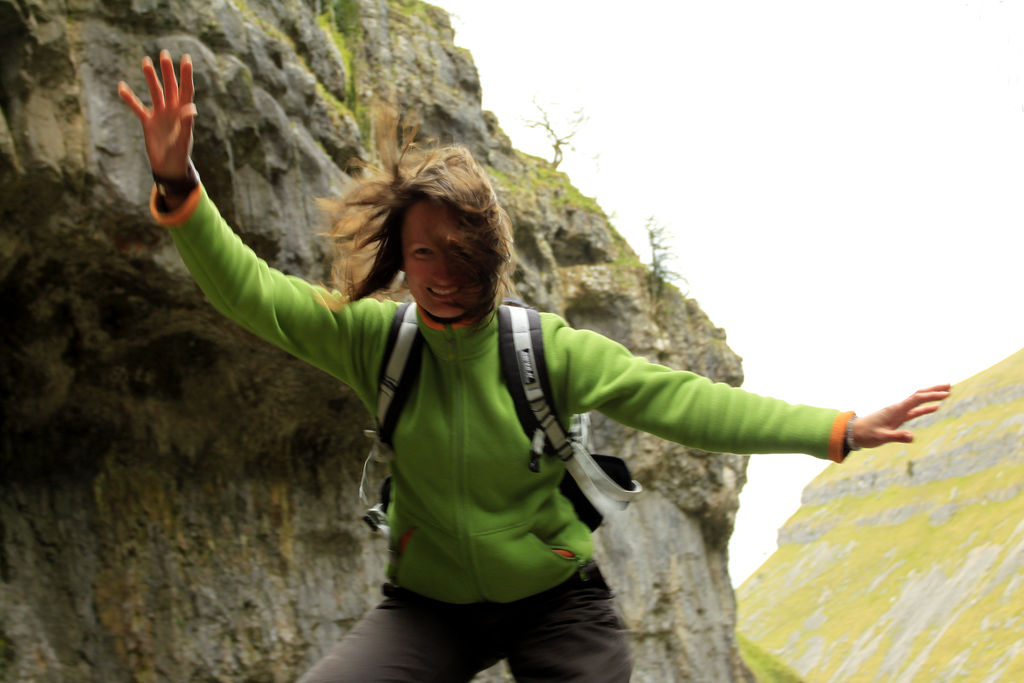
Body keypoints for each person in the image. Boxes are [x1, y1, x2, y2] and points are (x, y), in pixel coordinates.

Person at [118, 50, 950, 682]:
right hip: (428, 610)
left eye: (456, 251)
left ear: (487, 252)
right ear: (398, 260)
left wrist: (836, 429)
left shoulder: (545, 349)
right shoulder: (376, 339)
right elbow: (253, 294)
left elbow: (685, 402)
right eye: (420, 252)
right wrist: (177, 184)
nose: (439, 271)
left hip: (557, 607)